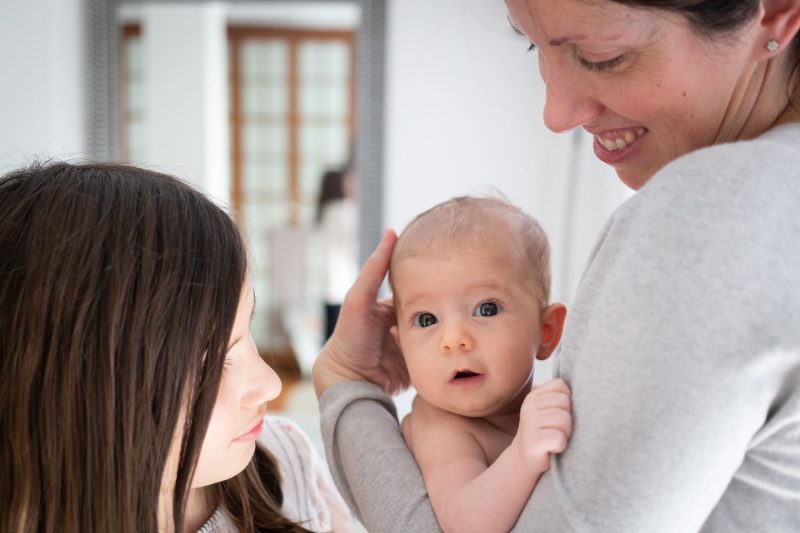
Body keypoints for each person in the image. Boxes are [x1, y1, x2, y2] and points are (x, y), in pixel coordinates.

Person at [312, 1, 800, 531]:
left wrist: (345, 386)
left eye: (601, 55)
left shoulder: (710, 212)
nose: (556, 114)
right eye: (532, 44)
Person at [0, 162, 350, 533]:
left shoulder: (286, 467)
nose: (271, 384)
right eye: (214, 362)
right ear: (85, 392)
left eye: (245, 330)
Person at [388, 196, 571, 533]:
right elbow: (465, 524)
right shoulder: (441, 427)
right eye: (426, 319)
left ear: (546, 332)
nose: (453, 339)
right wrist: (522, 454)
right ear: (402, 350)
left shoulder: (541, 405)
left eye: (487, 309)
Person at [316, 167, 359, 341]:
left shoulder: (325, 211)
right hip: (343, 285)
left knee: (330, 338)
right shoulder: (342, 211)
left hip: (330, 286)